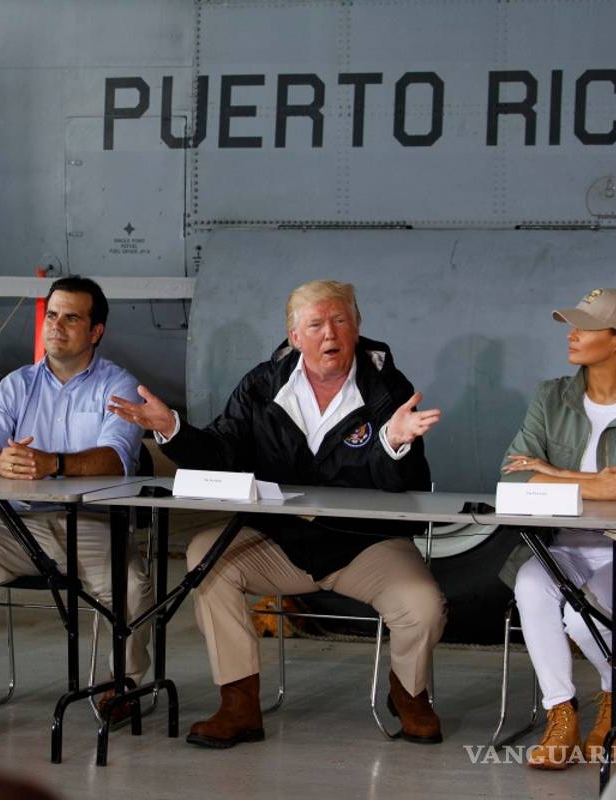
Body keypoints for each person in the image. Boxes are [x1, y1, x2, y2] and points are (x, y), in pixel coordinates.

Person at [109, 279, 446, 748]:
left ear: (357, 327)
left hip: (363, 545)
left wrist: (395, 443)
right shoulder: (262, 386)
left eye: (340, 321)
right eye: (316, 324)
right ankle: (239, 702)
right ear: (295, 337)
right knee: (207, 554)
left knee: (423, 605)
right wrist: (173, 430)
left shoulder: (388, 388)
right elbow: (223, 454)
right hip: (281, 543)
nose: (330, 333)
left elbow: (405, 486)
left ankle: (408, 692)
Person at [0, 276, 151, 746]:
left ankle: (126, 687)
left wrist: (53, 464)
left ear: (96, 331)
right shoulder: (16, 384)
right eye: (53, 315)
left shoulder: (118, 384)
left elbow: (118, 457)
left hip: (94, 525)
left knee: (134, 584)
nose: (57, 326)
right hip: (23, 525)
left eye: (72, 317)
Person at [501, 287, 616, 770]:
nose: (572, 334)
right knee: (531, 583)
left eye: (585, 326)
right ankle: (562, 713)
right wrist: (595, 483)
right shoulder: (550, 395)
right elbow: (511, 474)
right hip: (561, 547)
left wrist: (553, 474)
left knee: (581, 617)